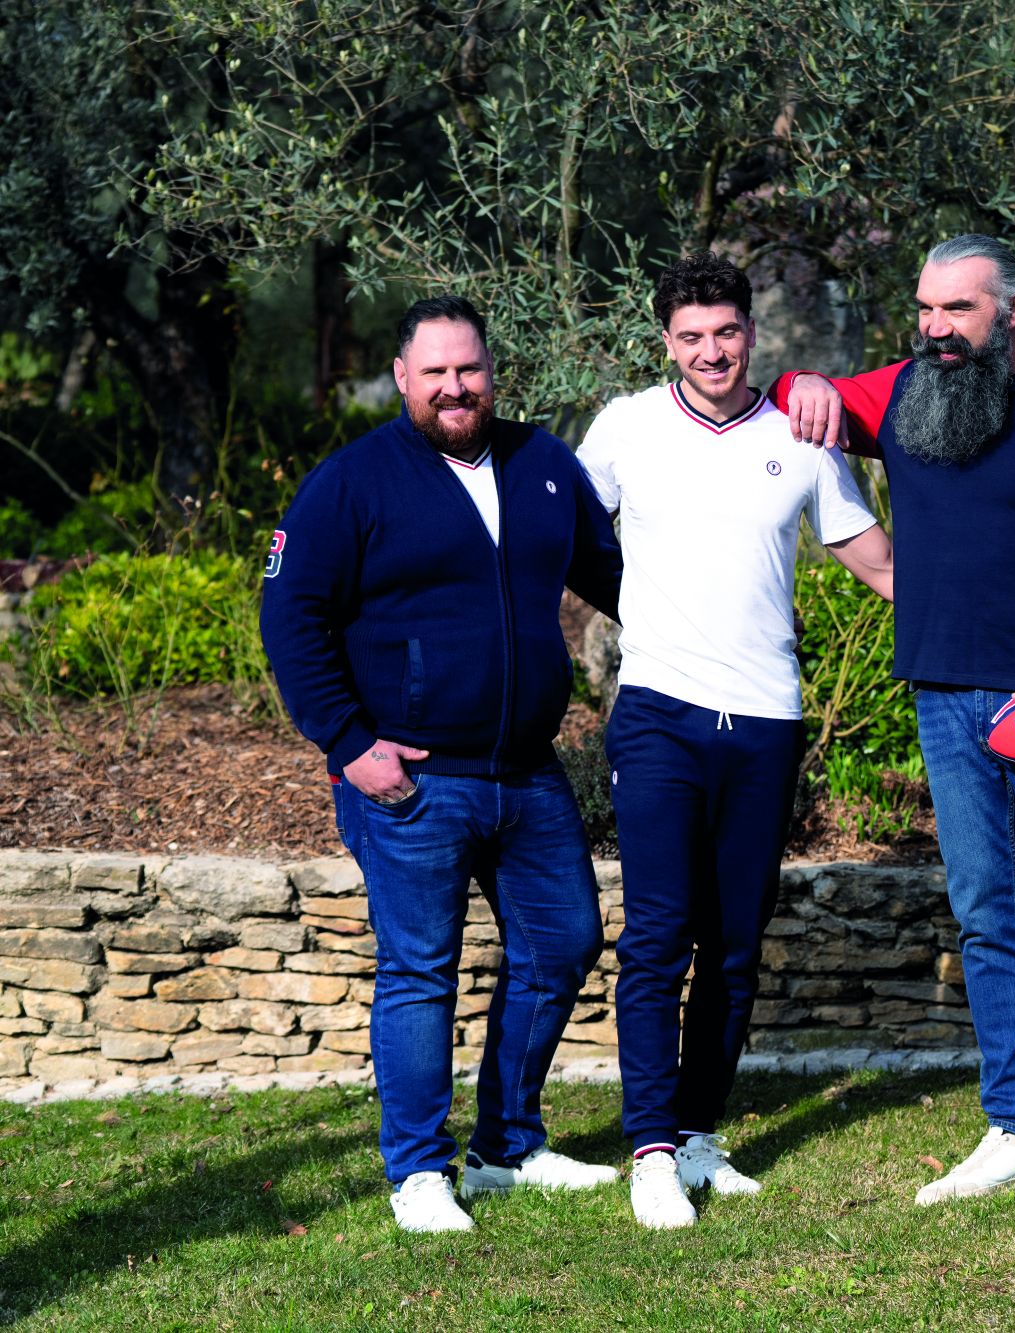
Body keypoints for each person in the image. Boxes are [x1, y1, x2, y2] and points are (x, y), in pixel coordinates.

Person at [770, 235, 1015, 1218]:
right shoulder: (912, 386)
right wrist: (802, 383)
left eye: (957, 309)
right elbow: (796, 396)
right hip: (943, 694)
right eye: (925, 308)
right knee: (986, 914)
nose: (935, 328)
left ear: (1014, 308)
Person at [261, 295, 626, 1233]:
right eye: (436, 373)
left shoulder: (544, 464)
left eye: (469, 369)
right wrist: (348, 744)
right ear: (403, 378)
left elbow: (618, 578)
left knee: (564, 944)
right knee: (421, 970)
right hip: (412, 780)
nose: (455, 387)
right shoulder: (353, 482)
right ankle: (419, 1171)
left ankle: (506, 1147)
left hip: (528, 769)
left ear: (491, 371)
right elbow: (290, 616)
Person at [575, 253, 892, 1230]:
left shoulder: (801, 435)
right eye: (691, 337)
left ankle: (698, 1133)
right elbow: (558, 536)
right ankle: (651, 1151)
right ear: (665, 341)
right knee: (658, 935)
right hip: (659, 714)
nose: (711, 352)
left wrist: (1001, 624)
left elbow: (880, 564)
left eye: (725, 333)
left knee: (735, 945)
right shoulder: (625, 427)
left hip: (764, 720)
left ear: (751, 333)